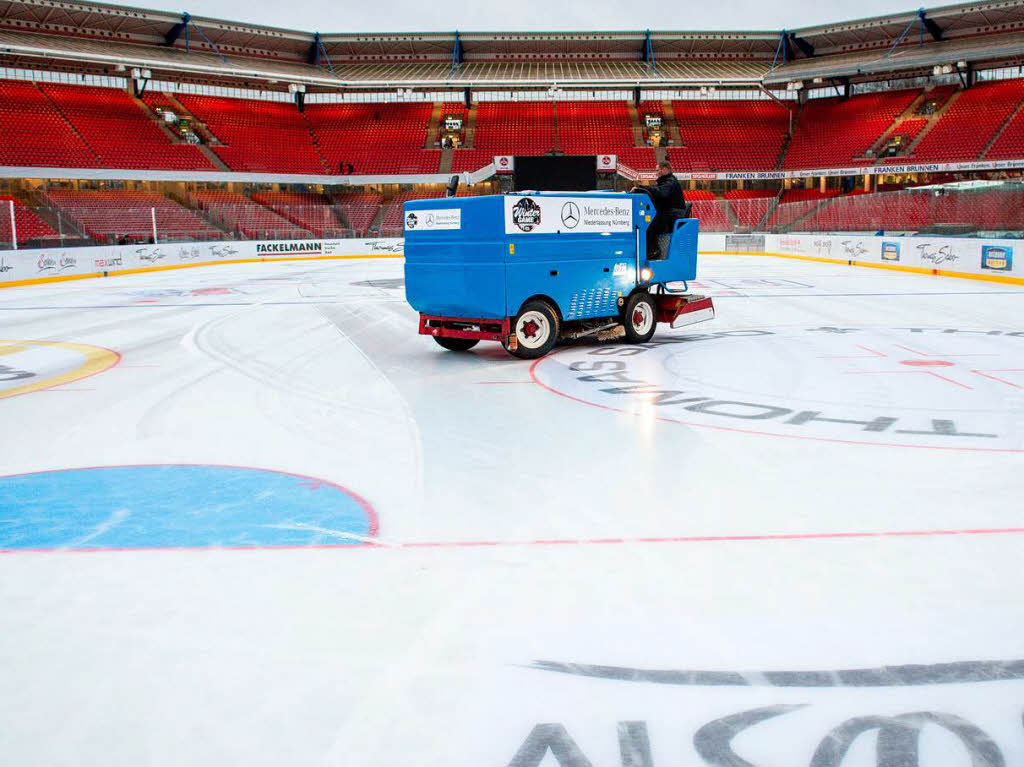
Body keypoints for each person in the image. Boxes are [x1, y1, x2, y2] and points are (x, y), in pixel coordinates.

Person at [632, 160, 687, 258]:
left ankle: (653, 250)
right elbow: (657, 190)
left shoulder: (670, 182)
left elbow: (661, 193)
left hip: (673, 215)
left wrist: (642, 187)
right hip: (669, 214)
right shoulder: (665, 182)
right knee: (649, 220)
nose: (656, 173)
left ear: (665, 169)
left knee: (648, 224)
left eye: (657, 170)